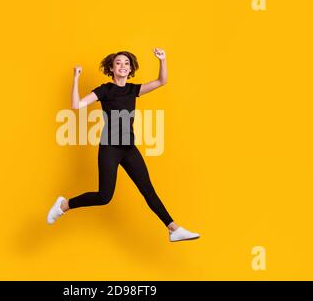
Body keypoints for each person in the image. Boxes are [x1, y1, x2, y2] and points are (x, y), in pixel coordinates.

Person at [47, 48, 200, 242]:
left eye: (126, 64)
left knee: (148, 190)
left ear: (131, 69)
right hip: (109, 147)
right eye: (118, 63)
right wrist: (76, 79)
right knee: (104, 197)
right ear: (111, 68)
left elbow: (162, 81)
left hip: (128, 148)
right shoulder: (105, 90)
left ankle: (173, 229)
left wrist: (163, 60)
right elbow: (76, 105)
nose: (123, 66)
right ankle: (63, 205)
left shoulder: (132, 89)